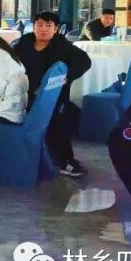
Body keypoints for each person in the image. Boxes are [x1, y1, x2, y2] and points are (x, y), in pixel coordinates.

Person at [14, 11, 92, 178]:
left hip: (53, 96)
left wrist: (66, 77)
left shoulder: (63, 46)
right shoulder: (23, 44)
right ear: (33, 27)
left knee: (58, 122)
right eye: (40, 25)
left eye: (48, 26)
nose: (44, 29)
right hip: (24, 93)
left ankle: (65, 161)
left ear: (55, 29)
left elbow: (85, 62)